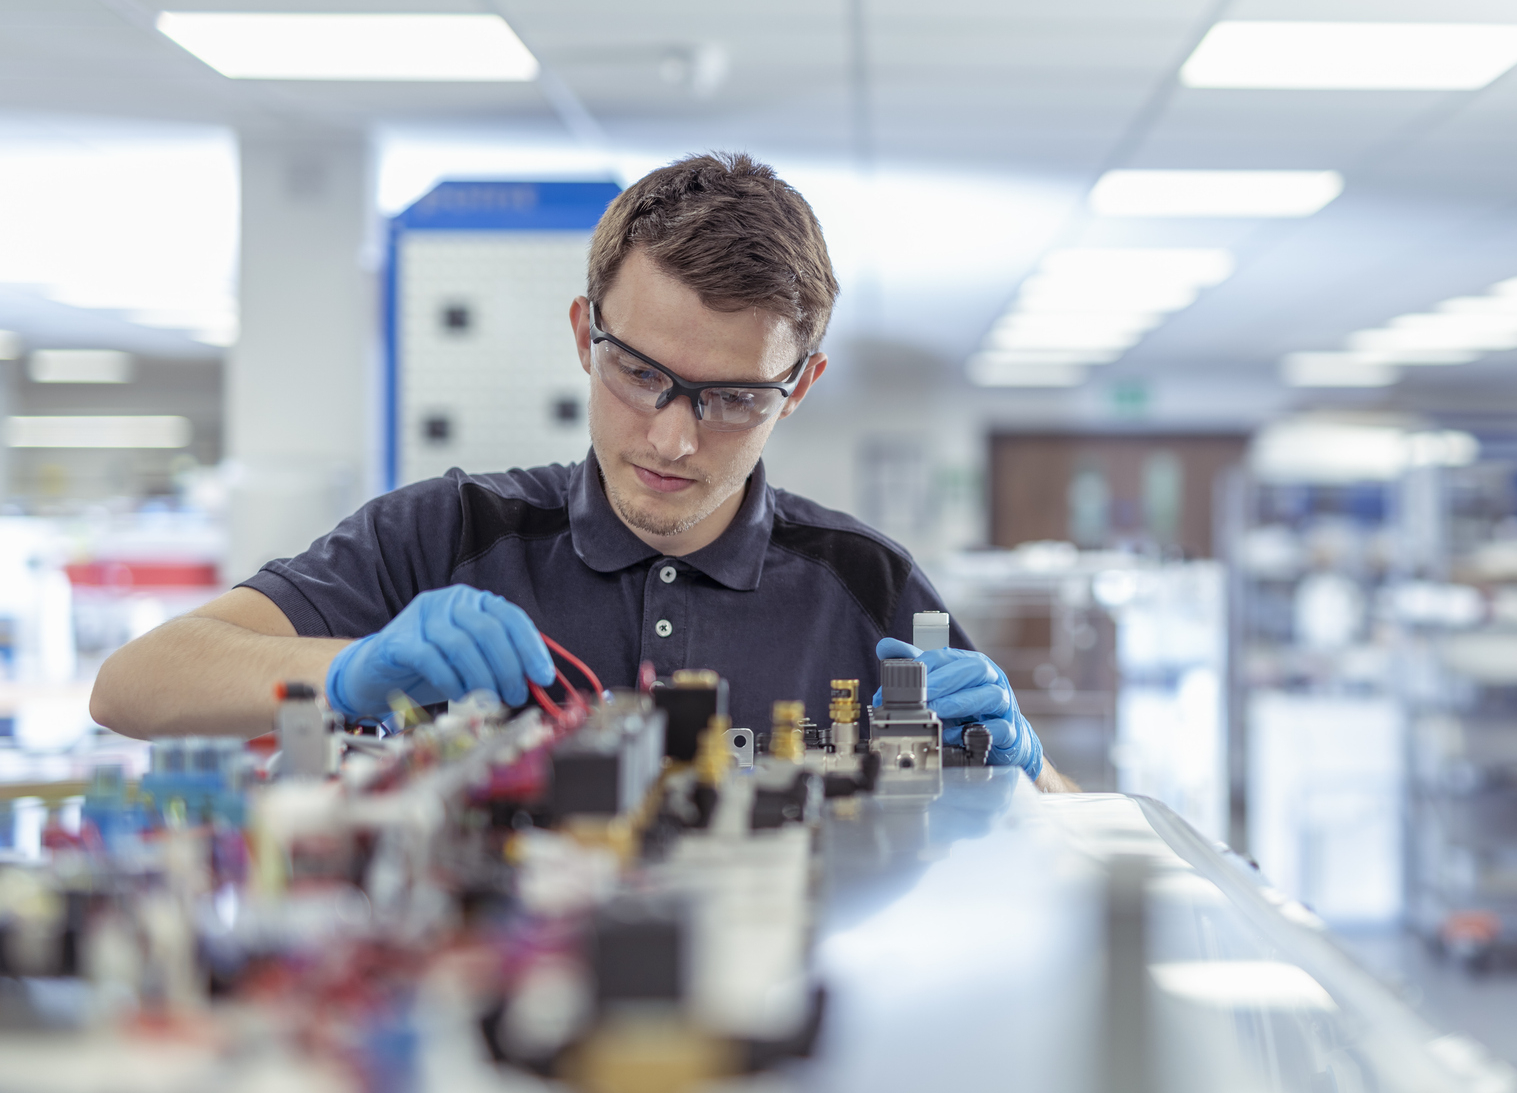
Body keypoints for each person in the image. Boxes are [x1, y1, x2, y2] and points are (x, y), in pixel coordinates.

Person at [92, 152, 1069, 792]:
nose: (674, 438)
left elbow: (1059, 821)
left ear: (800, 386)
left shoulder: (865, 584)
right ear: (582, 336)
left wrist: (1027, 774)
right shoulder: (444, 537)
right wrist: (344, 670)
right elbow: (133, 687)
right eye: (640, 373)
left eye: (732, 399)